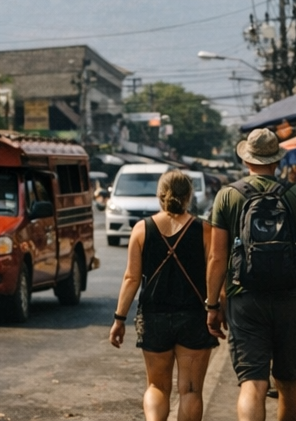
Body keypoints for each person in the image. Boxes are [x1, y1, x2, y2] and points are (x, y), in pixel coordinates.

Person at [204, 127, 296, 421]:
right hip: (292, 299)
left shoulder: (227, 197)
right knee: (289, 383)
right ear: (277, 162)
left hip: (245, 300)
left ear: (247, 160)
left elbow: (217, 257)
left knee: (253, 383)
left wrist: (213, 305)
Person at [110, 170, 217, 421]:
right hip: (193, 316)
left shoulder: (141, 229)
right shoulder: (204, 230)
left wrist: (119, 319)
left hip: (154, 317)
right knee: (190, 390)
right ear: (189, 196)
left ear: (159, 196)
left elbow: (131, 279)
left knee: (156, 387)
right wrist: (217, 307)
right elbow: (214, 273)